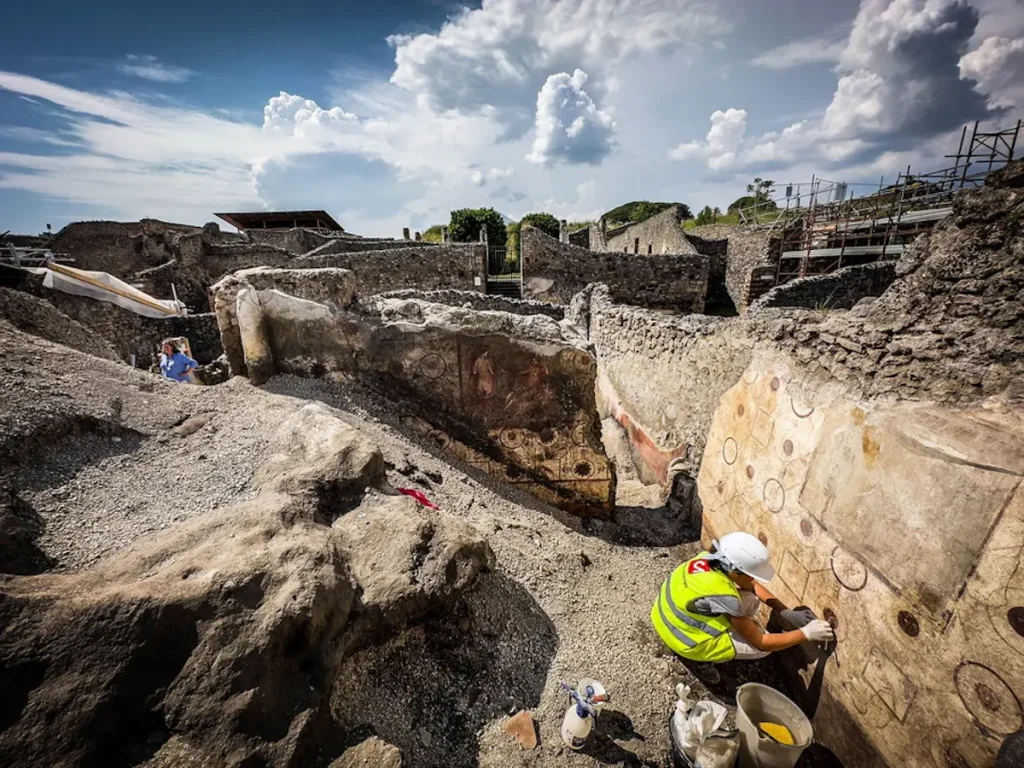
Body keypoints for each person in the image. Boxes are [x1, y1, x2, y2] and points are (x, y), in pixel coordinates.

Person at [651, 531, 834, 664]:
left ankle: (737, 630)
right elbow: (762, 643)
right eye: (750, 573)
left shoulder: (708, 559)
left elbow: (753, 587)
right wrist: (806, 633)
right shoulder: (725, 596)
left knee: (751, 599)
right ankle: (701, 661)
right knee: (761, 650)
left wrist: (785, 612)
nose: (753, 579)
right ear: (736, 572)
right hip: (686, 640)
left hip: (663, 616)